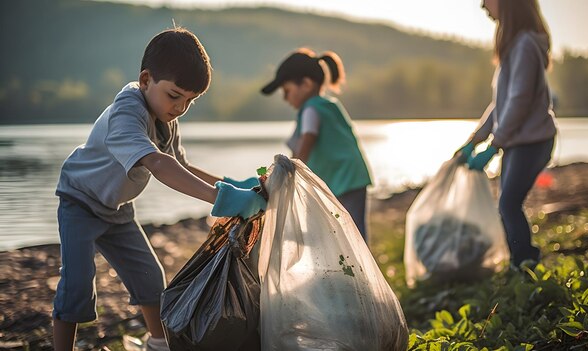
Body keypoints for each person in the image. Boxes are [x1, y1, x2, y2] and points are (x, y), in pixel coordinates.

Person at [52, 28, 266, 351]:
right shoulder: (127, 113)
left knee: (151, 277)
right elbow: (157, 164)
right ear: (145, 79)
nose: (180, 107)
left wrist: (233, 185)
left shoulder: (166, 118)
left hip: (117, 209)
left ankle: (158, 344)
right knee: (77, 285)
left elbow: (182, 165)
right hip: (80, 201)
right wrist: (222, 200)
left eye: (190, 101)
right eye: (175, 95)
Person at [456, 0, 557, 269]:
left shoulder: (525, 46)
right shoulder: (515, 46)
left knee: (508, 204)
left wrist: (494, 146)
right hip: (519, 142)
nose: (482, 6)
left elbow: (519, 101)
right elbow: (500, 105)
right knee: (507, 205)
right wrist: (474, 141)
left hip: (533, 142)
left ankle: (524, 263)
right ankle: (520, 262)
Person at [260, 48, 372, 241]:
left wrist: (287, 175)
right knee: (349, 233)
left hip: (343, 178)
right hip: (350, 176)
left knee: (350, 237)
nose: (285, 98)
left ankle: (358, 270)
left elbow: (306, 142)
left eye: (287, 91)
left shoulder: (311, 109)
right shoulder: (327, 105)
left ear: (306, 84)